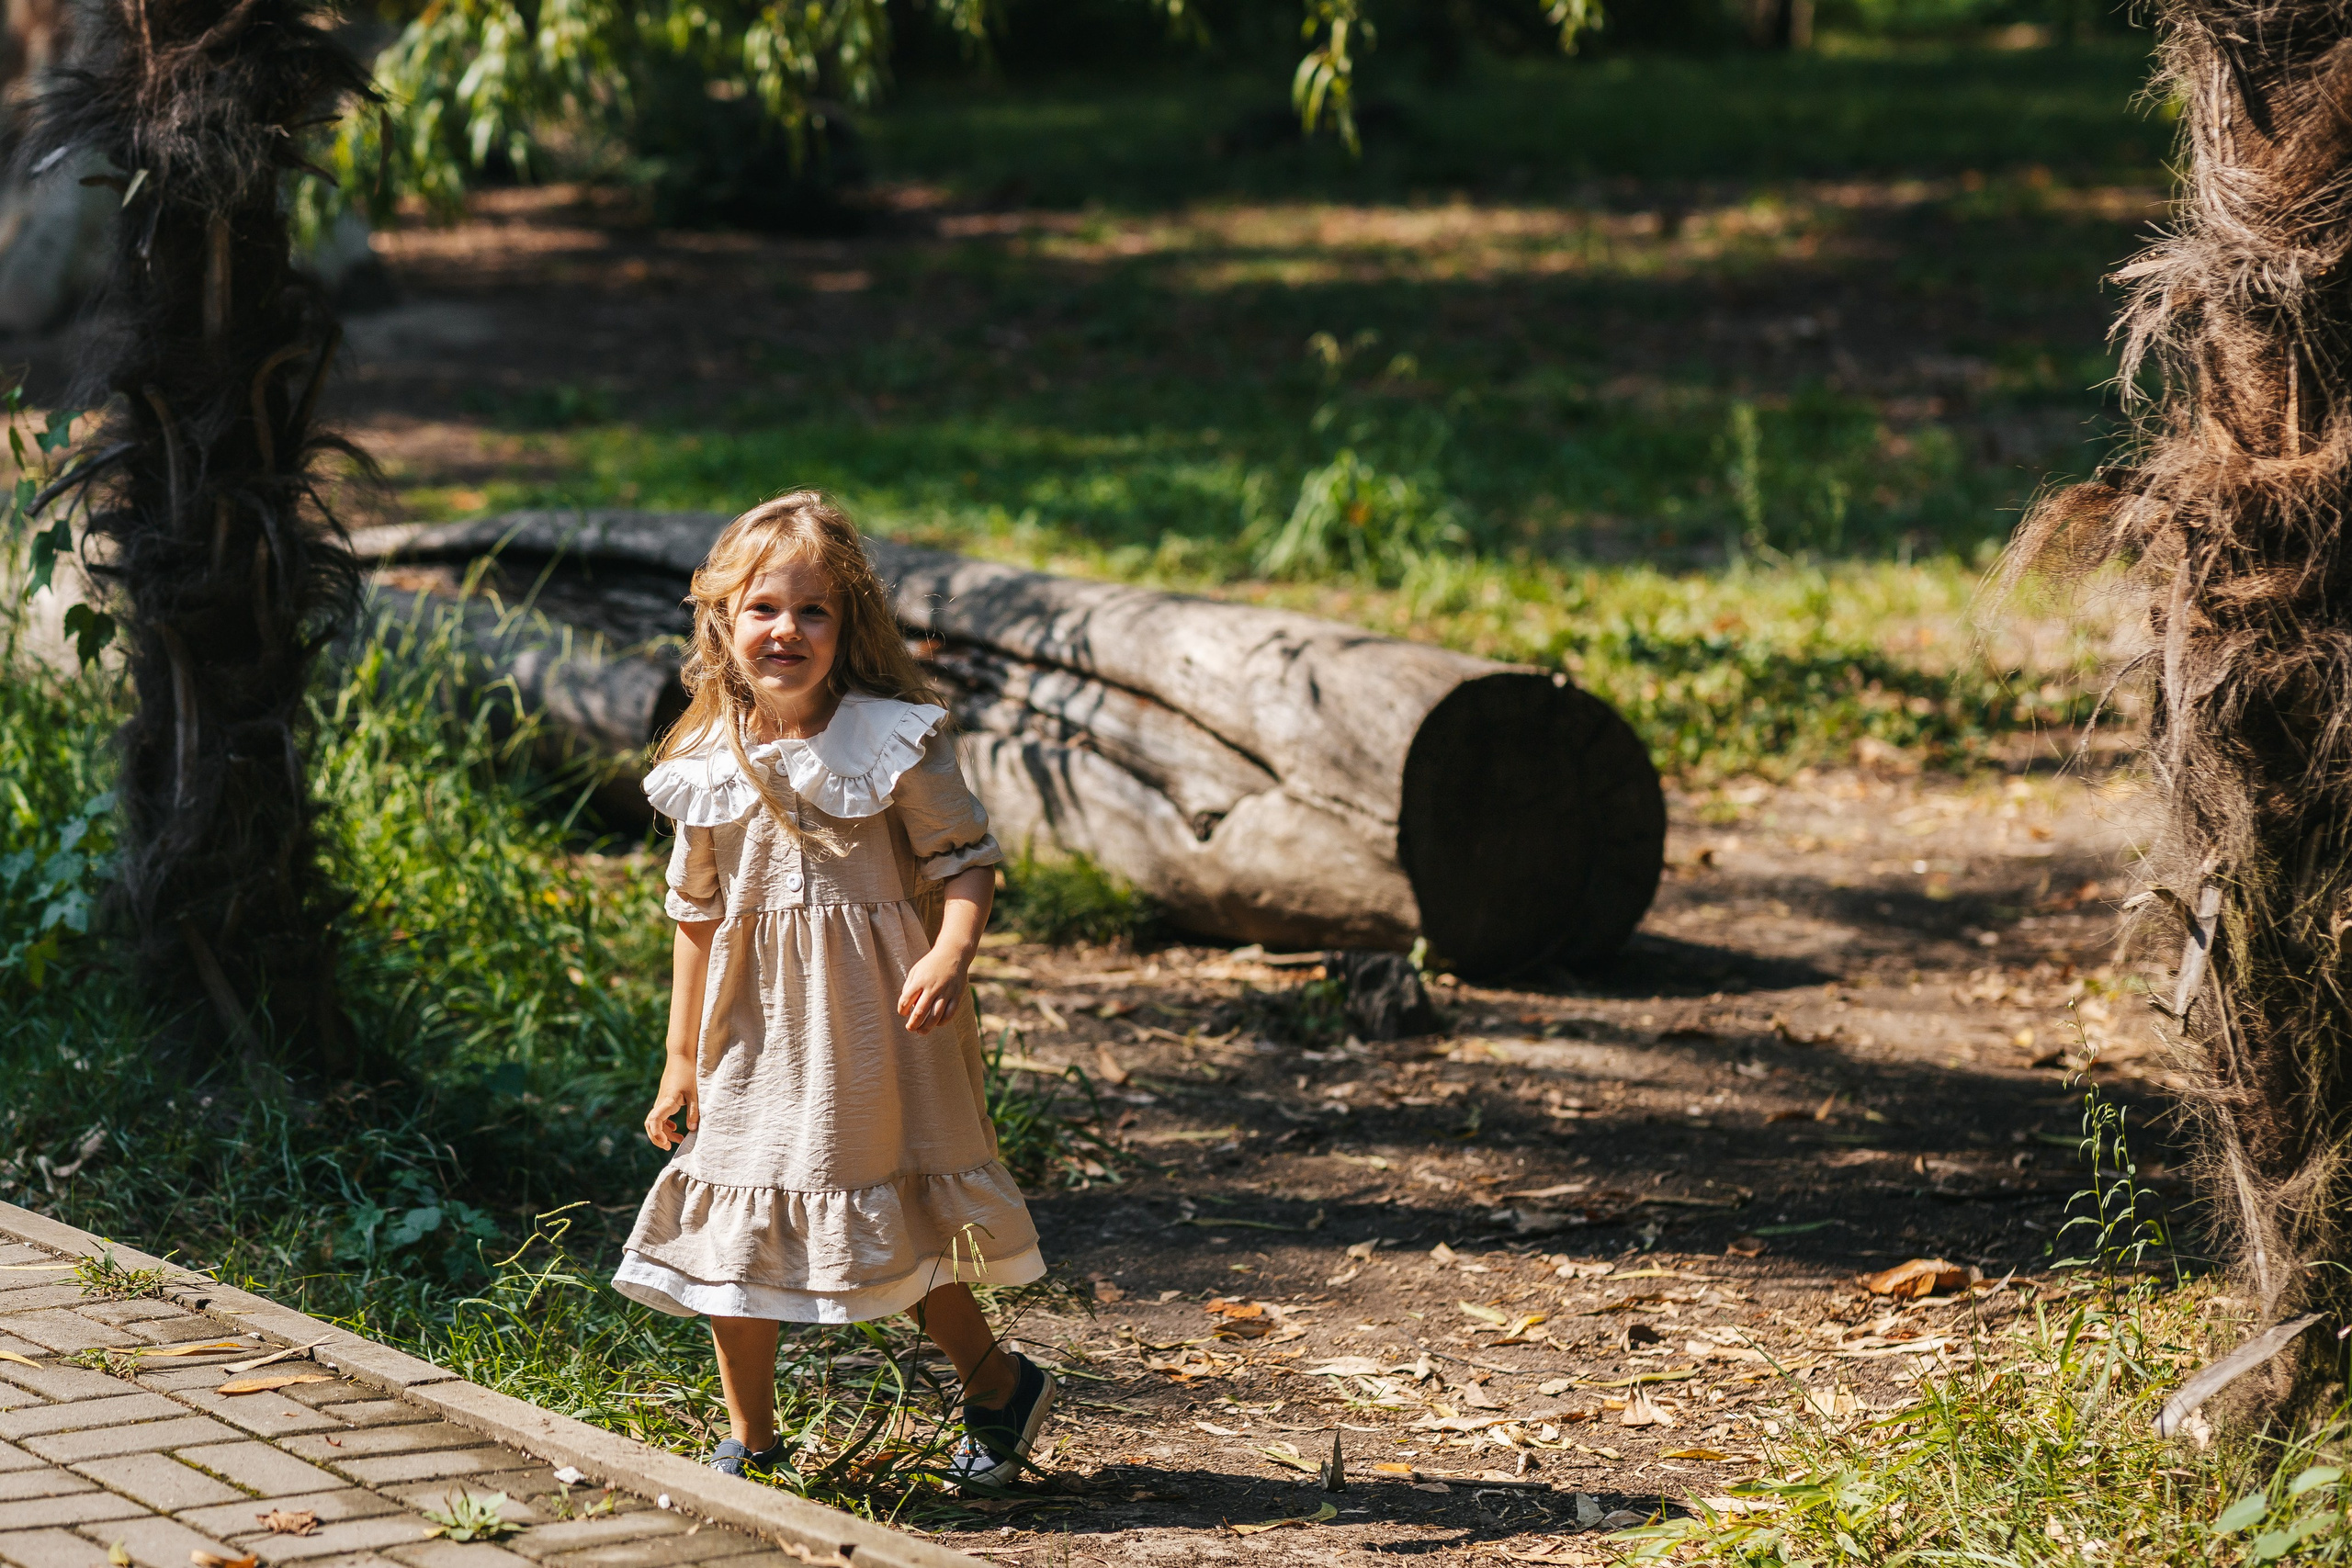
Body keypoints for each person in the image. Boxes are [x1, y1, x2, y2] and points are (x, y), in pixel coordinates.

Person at [611, 491, 1055, 1489]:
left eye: (813, 611)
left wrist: (949, 954)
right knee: (728, 1225)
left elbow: (967, 861)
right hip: (752, 1037)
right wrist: (679, 1058)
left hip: (874, 1030)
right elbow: (694, 916)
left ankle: (995, 1382)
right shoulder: (702, 761)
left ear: (848, 628)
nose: (786, 630)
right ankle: (753, 1440)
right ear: (722, 622)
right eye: (763, 608)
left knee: (883, 1226)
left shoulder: (893, 737)